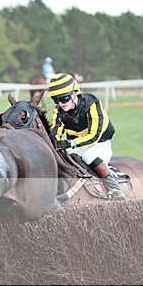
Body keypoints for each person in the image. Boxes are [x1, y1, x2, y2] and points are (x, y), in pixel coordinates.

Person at [47, 72, 125, 201]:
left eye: (64, 98)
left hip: (100, 143)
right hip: (77, 145)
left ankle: (115, 189)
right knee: (60, 156)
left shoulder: (92, 103)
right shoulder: (59, 111)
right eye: (56, 100)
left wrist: (69, 143)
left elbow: (94, 136)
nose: (60, 103)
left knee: (89, 156)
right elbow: (55, 132)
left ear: (74, 93)